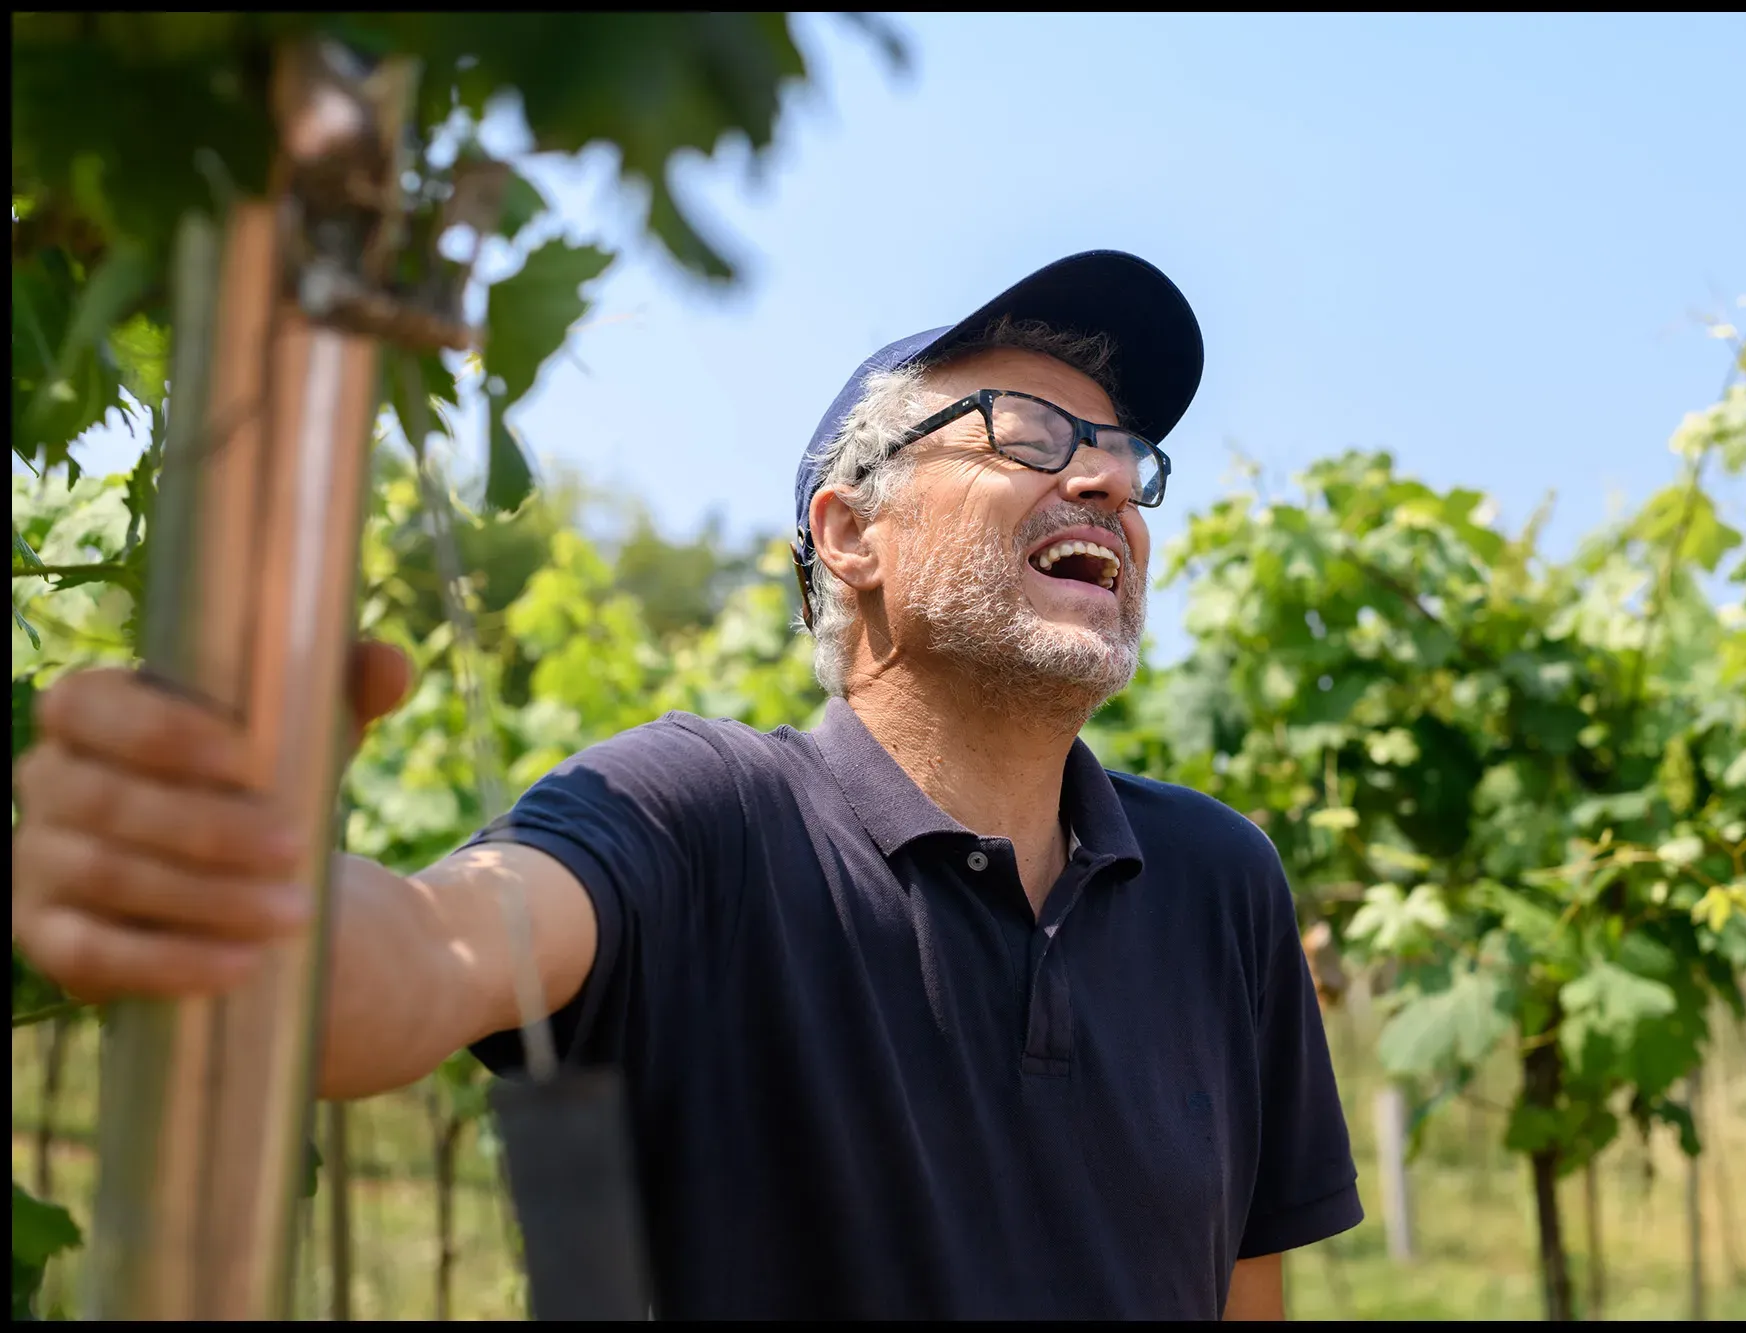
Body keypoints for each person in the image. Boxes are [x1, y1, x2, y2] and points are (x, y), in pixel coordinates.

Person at [12, 250, 1362, 1319]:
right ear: (851, 535)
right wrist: (243, 896)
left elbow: (1245, 1294)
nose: (1107, 477)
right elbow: (425, 953)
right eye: (1029, 432)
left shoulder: (1220, 881)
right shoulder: (705, 816)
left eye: (1125, 455)